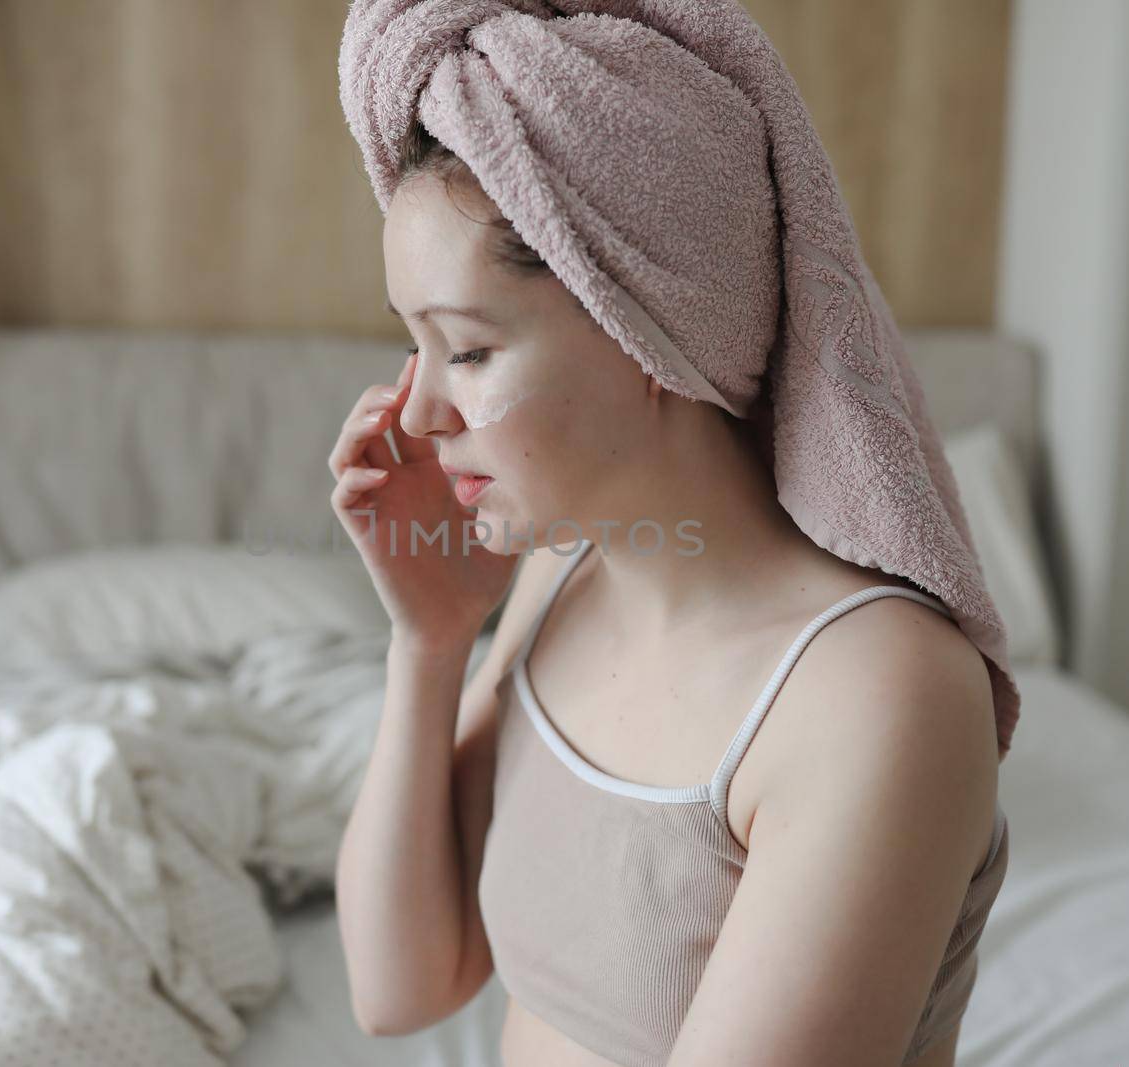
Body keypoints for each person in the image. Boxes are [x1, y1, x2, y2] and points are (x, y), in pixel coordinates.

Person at [325, 117, 1006, 1067]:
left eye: (469, 352)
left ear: (644, 335)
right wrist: (430, 643)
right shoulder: (564, 573)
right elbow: (399, 987)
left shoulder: (876, 690)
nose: (419, 411)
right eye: (416, 347)